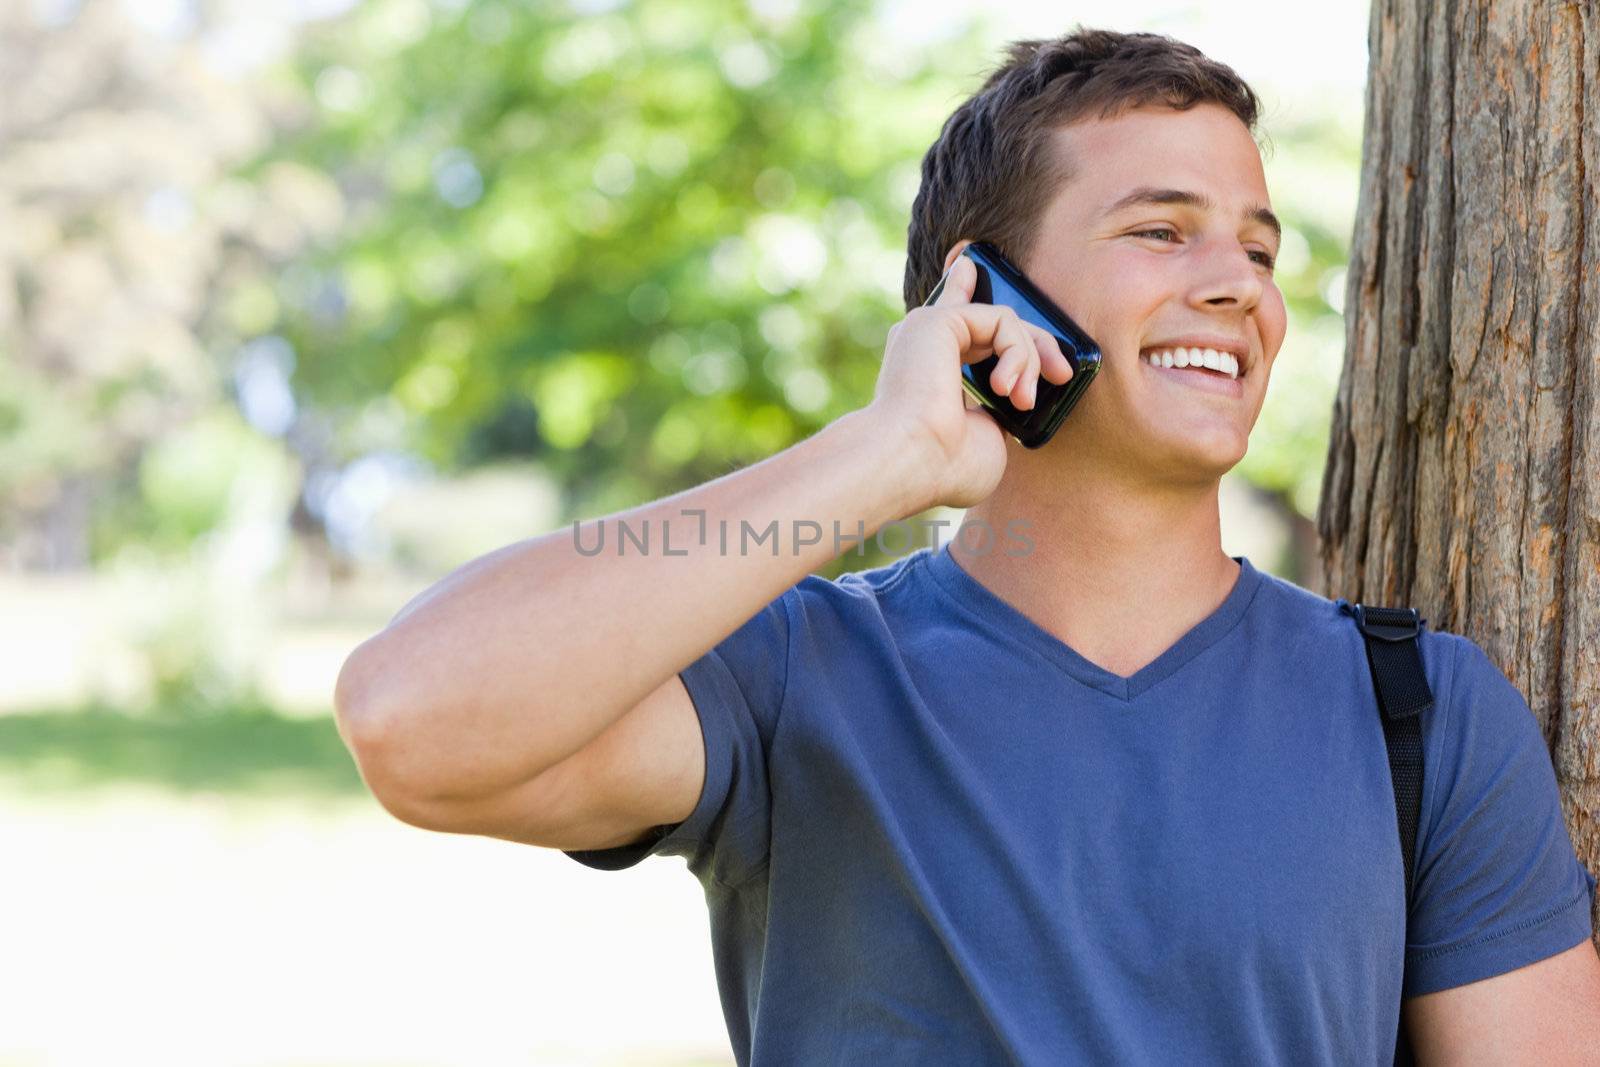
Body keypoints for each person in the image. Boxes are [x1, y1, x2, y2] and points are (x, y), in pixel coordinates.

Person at [333, 27, 1600, 1065]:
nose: (1239, 284)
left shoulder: (1419, 710)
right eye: (1162, 231)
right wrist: (885, 455)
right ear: (982, 298)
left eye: (1257, 246)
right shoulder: (791, 675)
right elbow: (410, 717)